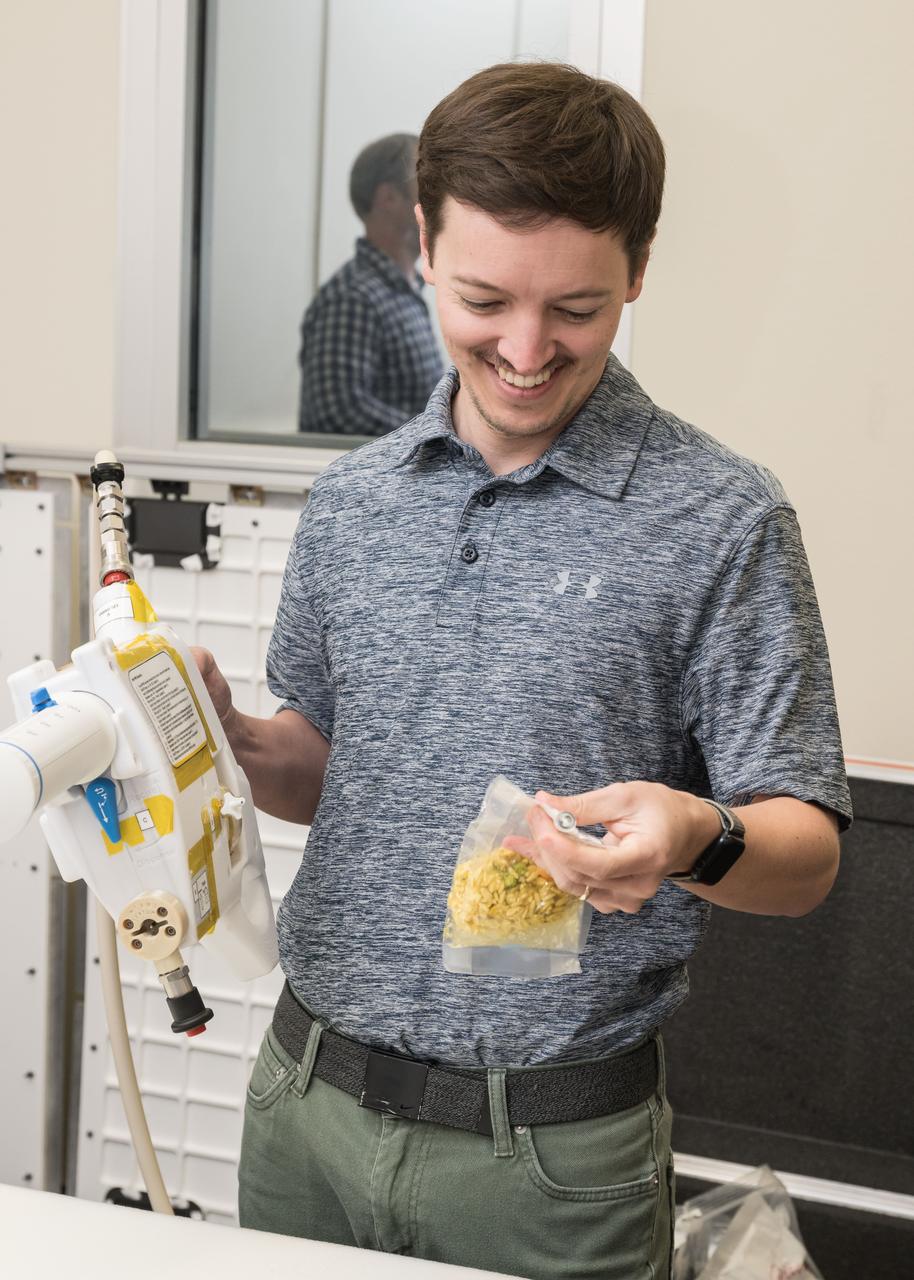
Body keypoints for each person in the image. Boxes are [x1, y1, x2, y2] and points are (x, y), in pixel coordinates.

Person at [194, 62, 851, 1280]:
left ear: (637, 272)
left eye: (578, 309)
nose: (525, 348)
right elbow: (323, 768)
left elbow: (804, 854)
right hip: (303, 1109)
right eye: (483, 298)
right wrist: (228, 739)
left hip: (549, 1157)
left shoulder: (722, 517)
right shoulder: (351, 502)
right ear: (420, 247)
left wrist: (696, 831)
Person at [298, 132, 444, 435]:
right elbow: (335, 412)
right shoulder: (352, 299)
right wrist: (435, 435)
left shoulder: (405, 291)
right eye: (426, 185)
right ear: (389, 198)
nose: (439, 197)